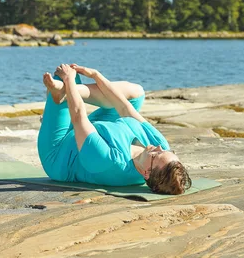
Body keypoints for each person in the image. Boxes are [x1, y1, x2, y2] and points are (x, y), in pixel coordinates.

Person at [38, 63, 192, 195]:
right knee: (136, 93)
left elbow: (78, 117)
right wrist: (96, 75)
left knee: (63, 78)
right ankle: (63, 92)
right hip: (99, 129)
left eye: (155, 155)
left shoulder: (110, 162)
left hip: (59, 150)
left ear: (146, 173)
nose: (159, 147)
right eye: (167, 151)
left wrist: (68, 79)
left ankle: (61, 91)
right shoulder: (159, 146)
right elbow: (124, 107)